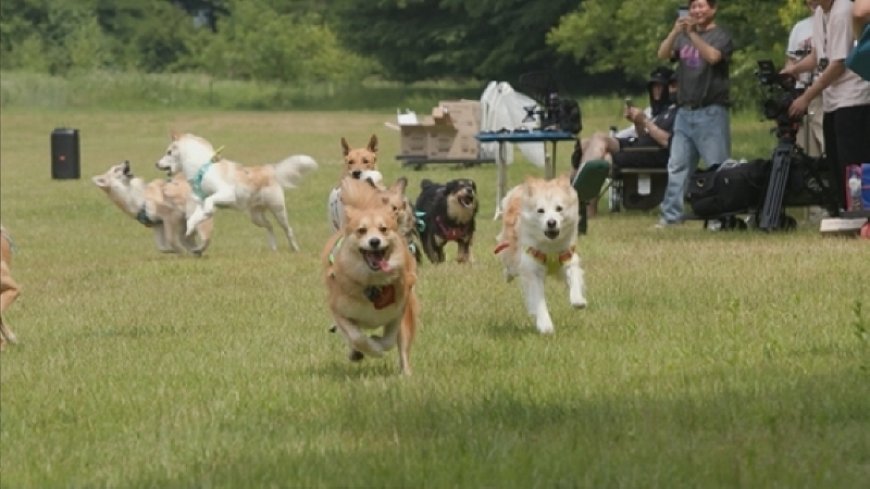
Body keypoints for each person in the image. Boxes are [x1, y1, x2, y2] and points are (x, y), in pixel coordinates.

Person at [783, 0, 870, 216]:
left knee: (852, 161)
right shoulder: (821, 12)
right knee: (834, 161)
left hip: (853, 97)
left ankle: (860, 212)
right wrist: (793, 69)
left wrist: (806, 97)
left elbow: (838, 63)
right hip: (832, 100)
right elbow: (818, 56)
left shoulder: (843, 11)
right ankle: (844, 209)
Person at [654, 0, 733, 228]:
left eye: (701, 6)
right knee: (677, 166)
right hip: (684, 112)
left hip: (711, 111)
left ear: (713, 9)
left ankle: (719, 218)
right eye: (693, 7)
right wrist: (675, 31)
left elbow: (713, 57)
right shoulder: (683, 36)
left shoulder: (721, 36)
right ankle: (671, 217)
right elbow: (662, 53)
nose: (697, 11)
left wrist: (693, 35)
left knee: (716, 167)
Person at [572, 67, 678, 216]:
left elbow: (666, 141)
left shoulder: (677, 112)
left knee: (603, 151)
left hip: (648, 155)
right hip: (638, 147)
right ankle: (578, 198)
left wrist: (645, 121)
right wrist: (637, 122)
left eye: (661, 86)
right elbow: (645, 137)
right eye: (654, 87)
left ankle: (583, 201)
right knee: (588, 142)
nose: (657, 91)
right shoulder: (658, 111)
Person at [785, 0, 825, 158]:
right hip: (802, 96)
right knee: (806, 153)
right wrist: (790, 71)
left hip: (824, 93)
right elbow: (791, 59)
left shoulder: (837, 17)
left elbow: (820, 59)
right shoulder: (800, 27)